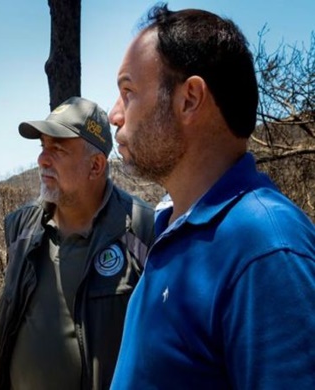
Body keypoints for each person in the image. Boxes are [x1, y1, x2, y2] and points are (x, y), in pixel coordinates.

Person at [107, 4, 315, 388]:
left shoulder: (266, 247)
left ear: (189, 99)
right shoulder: (171, 229)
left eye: (128, 92)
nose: (114, 115)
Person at [0, 96, 155, 390]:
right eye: (42, 147)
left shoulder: (142, 231)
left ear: (95, 165)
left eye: (58, 149)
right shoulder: (21, 228)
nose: (42, 159)